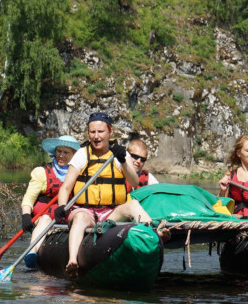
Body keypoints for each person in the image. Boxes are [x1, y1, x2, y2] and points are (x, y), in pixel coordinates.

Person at [55, 112, 169, 278]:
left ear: (110, 132)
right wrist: (61, 206)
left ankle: (154, 232)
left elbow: (134, 181)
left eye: (100, 132)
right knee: (79, 218)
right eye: (92, 132)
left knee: (132, 205)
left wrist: (123, 160)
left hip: (110, 213)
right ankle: (73, 260)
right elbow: (66, 187)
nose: (96, 136)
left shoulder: (119, 155)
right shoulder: (82, 154)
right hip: (86, 212)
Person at [21, 135, 81, 268]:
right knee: (46, 219)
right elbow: (29, 197)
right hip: (43, 216)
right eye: (59, 151)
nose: (61, 155)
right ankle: (31, 253)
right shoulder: (41, 172)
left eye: (66, 152)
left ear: (74, 155)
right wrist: (25, 215)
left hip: (65, 215)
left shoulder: (80, 174)